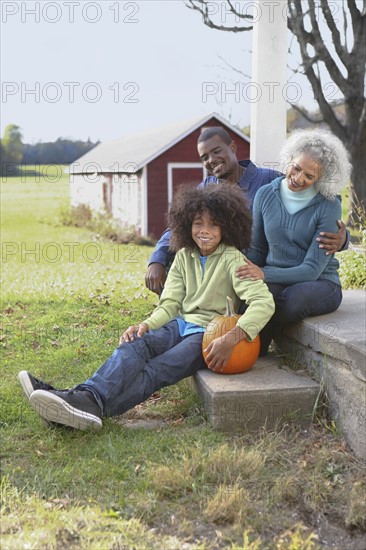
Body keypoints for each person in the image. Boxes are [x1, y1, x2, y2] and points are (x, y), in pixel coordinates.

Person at [18, 184, 275, 430]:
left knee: (156, 369)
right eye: (198, 223)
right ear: (187, 225)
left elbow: (263, 303)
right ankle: (83, 398)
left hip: (208, 336)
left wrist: (232, 337)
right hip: (180, 323)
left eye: (213, 225)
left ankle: (73, 402)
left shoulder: (234, 260)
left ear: (227, 228)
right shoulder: (185, 256)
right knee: (135, 343)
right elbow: (170, 303)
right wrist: (145, 325)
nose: (204, 231)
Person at [145, 126, 348, 295]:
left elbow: (309, 195)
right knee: (177, 258)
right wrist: (156, 260)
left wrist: (343, 238)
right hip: (220, 261)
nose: (211, 160)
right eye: (204, 157)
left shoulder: (267, 180)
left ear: (232, 147)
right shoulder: (206, 189)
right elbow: (177, 228)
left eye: (216, 151)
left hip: (253, 262)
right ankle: (178, 315)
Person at [236, 128, 352, 356]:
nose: (298, 178)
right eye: (296, 168)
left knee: (291, 301)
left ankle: (256, 345)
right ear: (289, 159)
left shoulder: (328, 205)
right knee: (251, 296)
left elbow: (310, 270)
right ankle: (248, 349)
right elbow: (258, 249)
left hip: (319, 282)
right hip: (275, 276)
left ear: (322, 179)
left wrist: (264, 274)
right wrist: (242, 271)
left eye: (309, 176)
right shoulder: (265, 195)